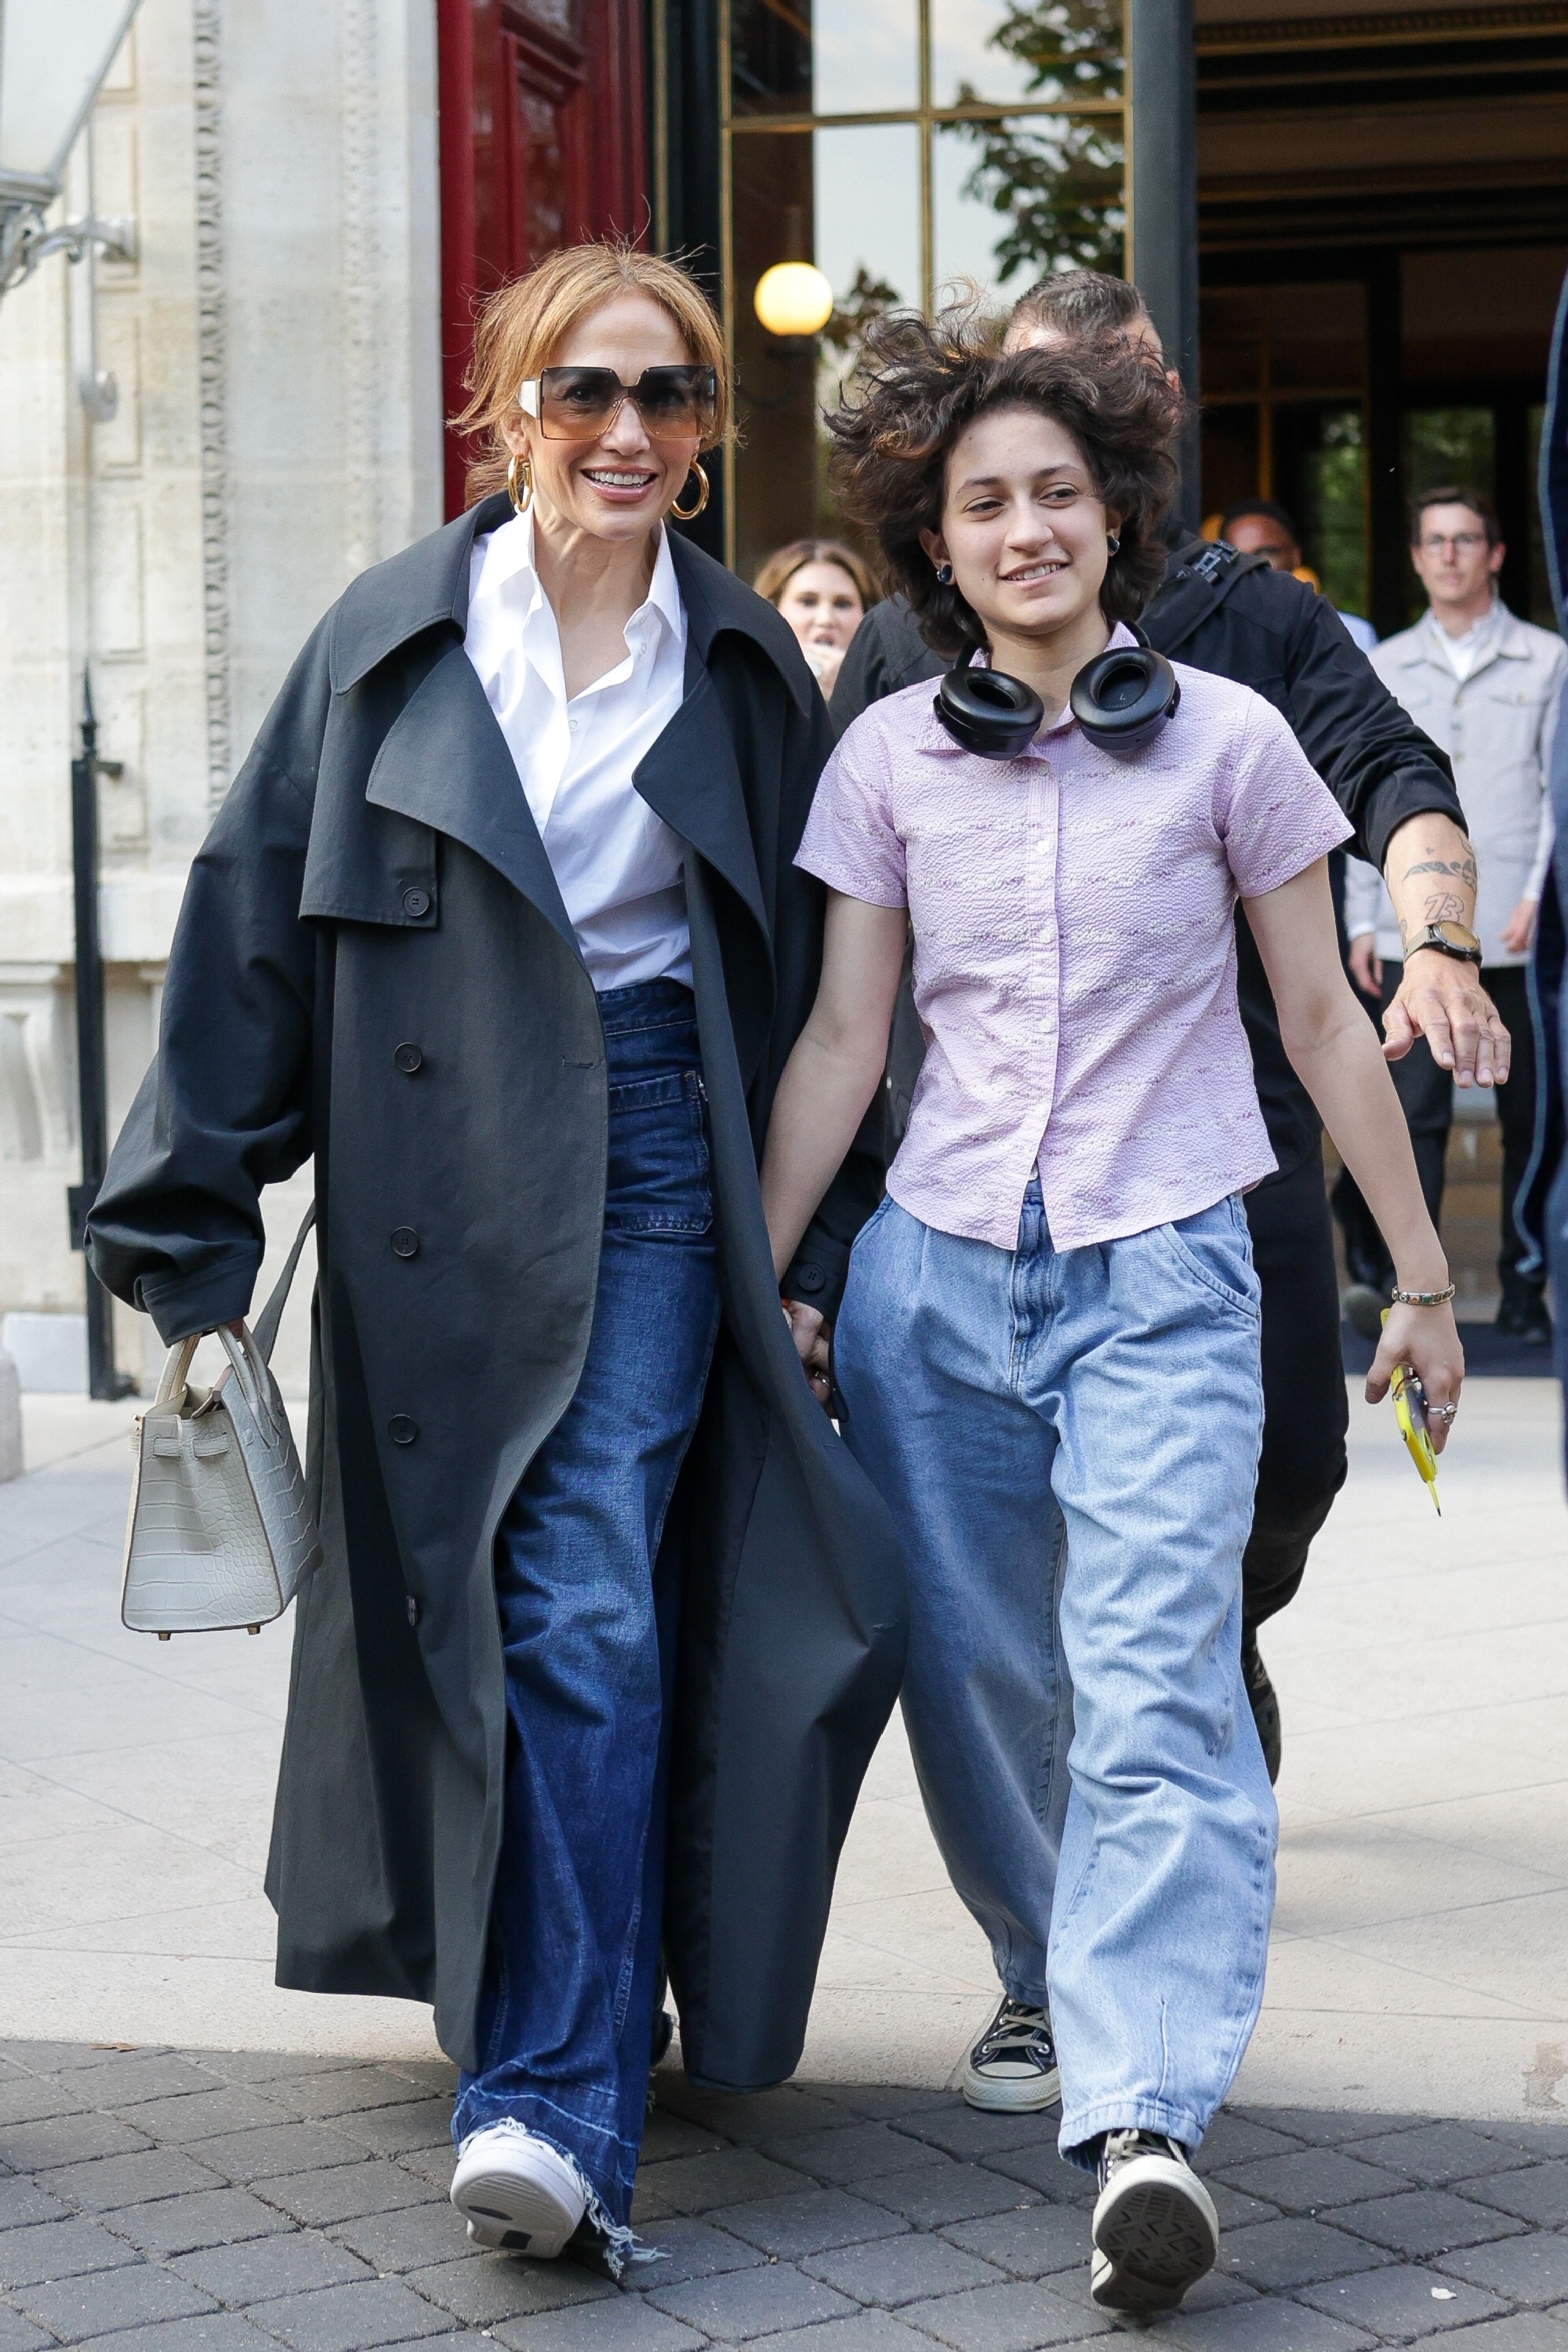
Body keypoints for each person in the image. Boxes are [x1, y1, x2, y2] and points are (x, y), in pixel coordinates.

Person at [85, 243, 902, 2267]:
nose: (632, 433)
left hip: (640, 1148)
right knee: (475, 1606)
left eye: (676, 398)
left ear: (709, 435)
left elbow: (821, 988)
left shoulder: (736, 667)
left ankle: (551, 2097)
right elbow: (247, 926)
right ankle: (541, 2000)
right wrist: (186, 1247)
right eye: (588, 393)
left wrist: (821, 1244)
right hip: (425, 1165)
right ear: (505, 405)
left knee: (586, 1597)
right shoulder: (386, 643)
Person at [761, 314, 1464, 2318]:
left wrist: (1415, 1277)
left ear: (1113, 511)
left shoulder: (1231, 744)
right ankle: (1037, 1967)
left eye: (1054, 492)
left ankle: (1142, 2112)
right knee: (984, 1684)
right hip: (933, 1282)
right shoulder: (887, 752)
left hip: (1168, 1269)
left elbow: (1322, 1020)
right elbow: (836, 1039)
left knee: (1154, 1675)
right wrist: (764, 1275)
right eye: (980, 501)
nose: (1022, 526)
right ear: (936, 541)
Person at [829, 267, 1501, 1788]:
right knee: (1036, 1550)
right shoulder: (895, 657)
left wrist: (1438, 938)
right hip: (975, 1168)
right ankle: (1109, 1798)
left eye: (1108, 407)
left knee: (1286, 1475)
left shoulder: (1245, 631)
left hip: (1226, 1147)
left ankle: (1211, 1631)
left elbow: (1393, 769)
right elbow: (822, 978)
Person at [1340, 488, 1564, 1342]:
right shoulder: (1386, 664)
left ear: (1494, 554)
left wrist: (1546, 892)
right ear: (1413, 555)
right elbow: (1356, 804)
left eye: (1464, 540)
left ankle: (1520, 1288)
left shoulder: (1548, 661)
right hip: (1416, 938)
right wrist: (1362, 920)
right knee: (1412, 1116)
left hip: (1519, 932)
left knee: (1530, 1119)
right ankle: (1411, 1287)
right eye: (1431, 541)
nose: (1448, 556)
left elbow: (1557, 797)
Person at [1220, 496, 1379, 652]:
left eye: (1266, 554)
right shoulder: (1211, 639)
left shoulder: (1352, 634)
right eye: (1236, 557)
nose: (1250, 567)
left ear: (1295, 556)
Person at [754, 536, 878, 700]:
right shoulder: (747, 688)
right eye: (807, 602)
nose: (825, 619)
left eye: (842, 604)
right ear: (771, 609)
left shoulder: (891, 694)